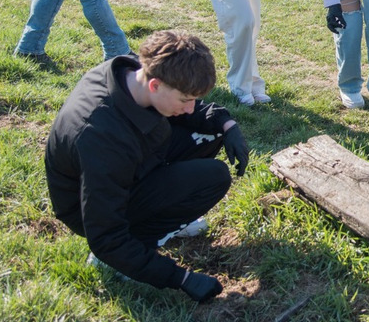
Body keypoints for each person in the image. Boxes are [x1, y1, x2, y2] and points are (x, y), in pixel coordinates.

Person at [45, 30, 250, 303]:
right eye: (185, 99)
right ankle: (126, 253)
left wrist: (227, 123)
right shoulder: (103, 138)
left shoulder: (131, 73)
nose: (191, 108)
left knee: (211, 131)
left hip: (133, 161)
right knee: (213, 177)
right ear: (155, 85)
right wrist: (181, 279)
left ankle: (158, 222)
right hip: (89, 210)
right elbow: (105, 234)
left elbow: (193, 110)